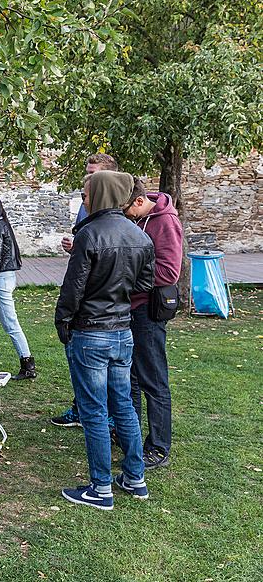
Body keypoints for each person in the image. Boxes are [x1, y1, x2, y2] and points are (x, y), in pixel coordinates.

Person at [55, 170, 155, 509]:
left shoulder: (89, 234)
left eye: (87, 193)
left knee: (95, 411)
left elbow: (73, 289)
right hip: (121, 332)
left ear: (102, 194)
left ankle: (101, 488)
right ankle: (135, 477)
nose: (84, 199)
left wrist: (64, 320)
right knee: (123, 404)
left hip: (92, 332)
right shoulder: (139, 235)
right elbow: (144, 284)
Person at [53, 153, 120, 427]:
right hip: (84, 296)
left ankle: (105, 420)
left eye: (94, 173)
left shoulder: (117, 208)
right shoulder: (86, 203)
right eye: (87, 171)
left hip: (104, 304)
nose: (89, 176)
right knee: (79, 362)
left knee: (110, 374)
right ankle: (81, 408)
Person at [123, 180, 183, 469]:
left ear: (137, 201)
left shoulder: (165, 221)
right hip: (131, 307)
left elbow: (169, 272)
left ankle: (159, 446)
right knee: (131, 377)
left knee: (153, 380)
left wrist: (126, 274)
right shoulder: (138, 218)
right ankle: (130, 437)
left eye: (125, 208)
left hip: (148, 310)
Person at [0, 194, 36, 379]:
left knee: (10, 323)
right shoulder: (0, 225)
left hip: (0, 280)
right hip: (2, 278)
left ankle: (28, 365)